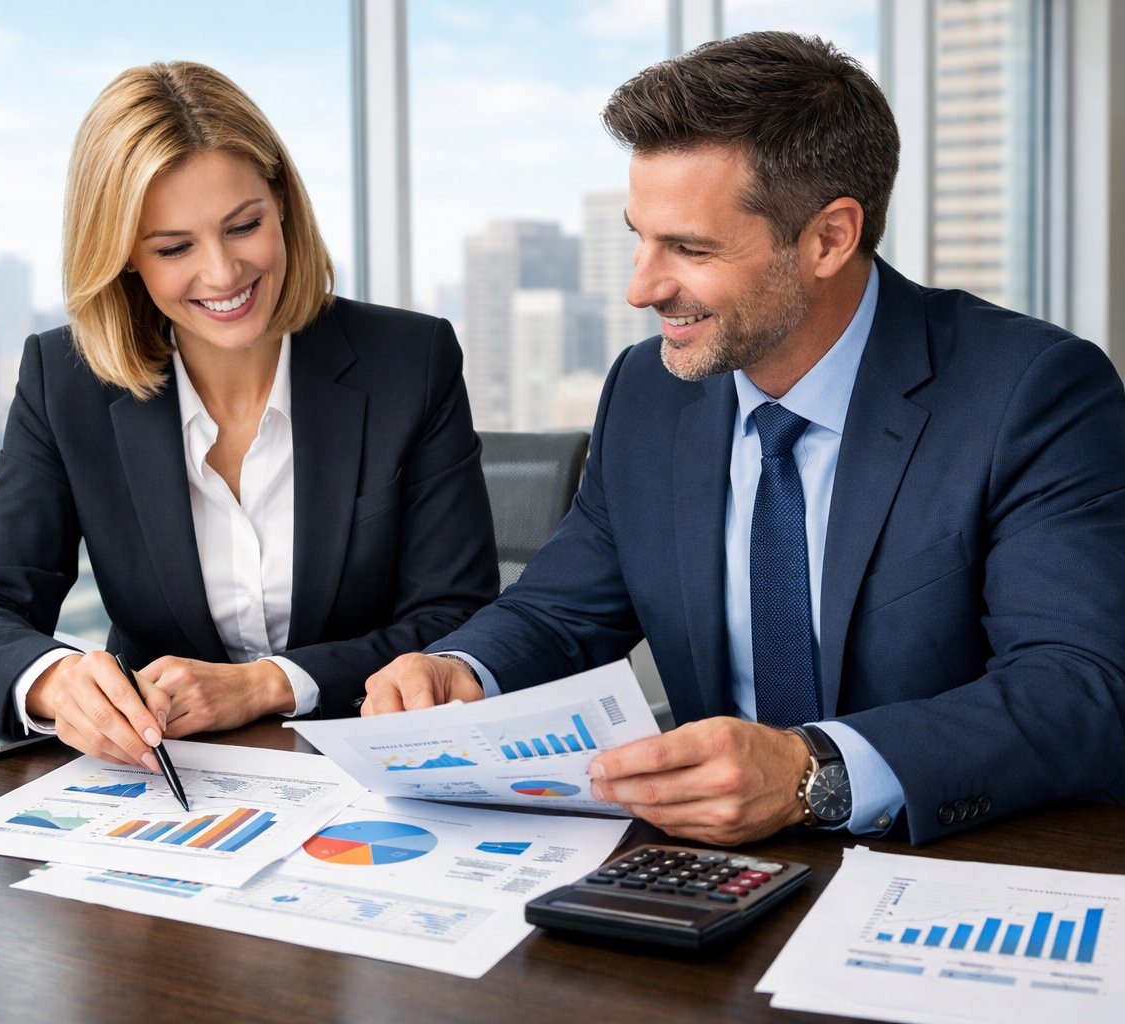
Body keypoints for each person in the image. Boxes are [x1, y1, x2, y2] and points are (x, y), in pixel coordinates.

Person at [364, 31, 1125, 846]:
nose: (641, 287)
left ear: (829, 236)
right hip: (706, 868)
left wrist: (814, 771)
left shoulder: (1032, 390)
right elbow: (561, 611)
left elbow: (1080, 685)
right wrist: (460, 670)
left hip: (948, 858)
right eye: (639, 236)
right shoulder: (648, 389)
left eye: (689, 249)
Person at [0, 61, 497, 772]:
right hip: (168, 781)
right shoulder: (66, 381)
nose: (224, 273)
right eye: (174, 248)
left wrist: (268, 684)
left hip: (373, 768)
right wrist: (53, 679)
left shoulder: (408, 361)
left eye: (244, 226)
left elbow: (457, 618)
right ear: (124, 257)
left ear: (283, 204)